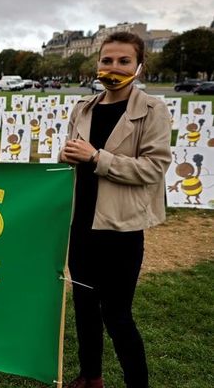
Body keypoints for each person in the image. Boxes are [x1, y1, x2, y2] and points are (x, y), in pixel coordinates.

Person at [60, 32, 171, 388]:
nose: (113, 67)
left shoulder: (153, 110)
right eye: (107, 60)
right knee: (84, 309)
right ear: (98, 63)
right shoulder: (82, 109)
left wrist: (96, 158)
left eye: (123, 61)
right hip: (81, 225)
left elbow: (153, 168)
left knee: (118, 316)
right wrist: (64, 159)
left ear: (139, 66)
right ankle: (90, 376)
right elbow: (74, 160)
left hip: (120, 228)